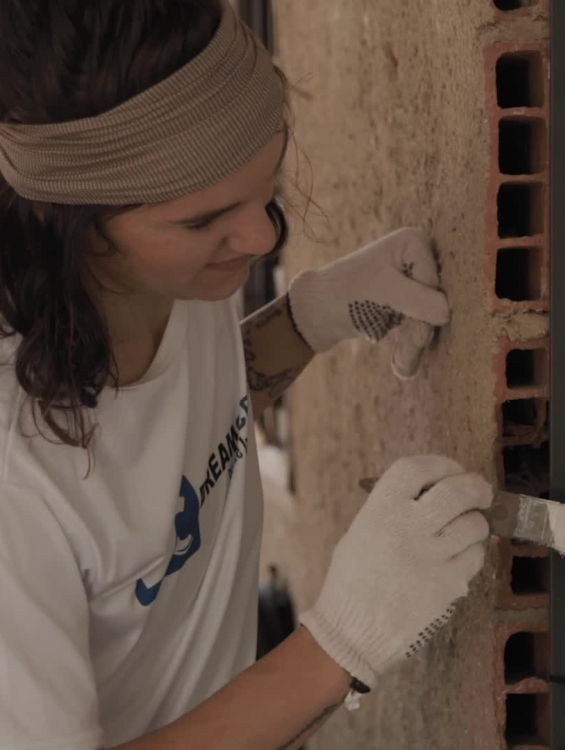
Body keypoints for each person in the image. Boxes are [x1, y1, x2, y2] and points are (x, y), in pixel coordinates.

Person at [0, 2, 493, 749]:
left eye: (266, 180)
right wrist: (336, 646)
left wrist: (305, 322)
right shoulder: (15, 479)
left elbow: (154, 453)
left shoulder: (164, 275)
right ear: (68, 220)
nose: (261, 236)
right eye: (203, 221)